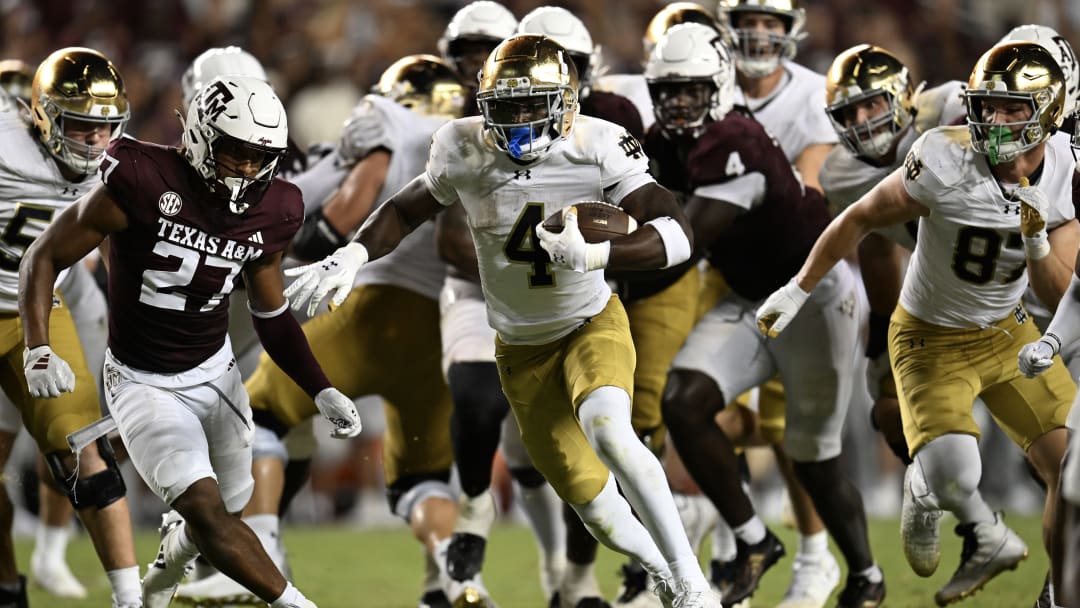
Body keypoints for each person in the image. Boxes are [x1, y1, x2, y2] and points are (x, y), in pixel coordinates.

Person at [287, 33, 719, 608]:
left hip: (590, 322)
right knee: (596, 512)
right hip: (519, 348)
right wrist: (353, 254)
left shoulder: (598, 142)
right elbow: (405, 209)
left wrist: (599, 255)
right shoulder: (461, 145)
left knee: (611, 429)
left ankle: (693, 583)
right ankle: (661, 571)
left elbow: (677, 233)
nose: (517, 123)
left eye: (530, 106)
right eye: (505, 107)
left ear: (564, 102)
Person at [20, 74, 363, 608]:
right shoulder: (141, 178)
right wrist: (38, 346)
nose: (248, 169)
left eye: (259, 156)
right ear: (202, 137)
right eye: (235, 153)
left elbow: (270, 312)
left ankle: (165, 568)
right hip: (142, 380)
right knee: (205, 508)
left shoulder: (277, 206)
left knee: (224, 512)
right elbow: (44, 255)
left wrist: (319, 389)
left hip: (217, 372)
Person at [757, 41, 1077, 606]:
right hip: (931, 338)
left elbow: (1058, 287)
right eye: (987, 106)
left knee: (1071, 476)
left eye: (1011, 108)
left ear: (1048, 111)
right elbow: (861, 220)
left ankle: (1059, 595)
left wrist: (1034, 241)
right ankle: (926, 488)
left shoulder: (1066, 169)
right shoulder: (942, 156)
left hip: (1010, 329)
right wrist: (797, 288)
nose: (994, 120)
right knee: (958, 474)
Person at [641, 24, 881, 608]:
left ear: (717, 88)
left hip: (813, 298)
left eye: (691, 90)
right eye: (668, 90)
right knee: (683, 400)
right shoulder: (665, 142)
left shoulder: (735, 141)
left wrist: (600, 266)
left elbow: (683, 248)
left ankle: (864, 576)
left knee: (811, 460)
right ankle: (753, 540)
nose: (677, 103)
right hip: (751, 300)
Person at [228, 55, 480, 608]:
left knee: (261, 412)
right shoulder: (476, 139)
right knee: (424, 476)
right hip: (439, 325)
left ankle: (265, 549)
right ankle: (460, 577)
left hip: (368, 307)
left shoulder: (384, 119)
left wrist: (301, 246)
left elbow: (340, 221)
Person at [0, 47, 144, 608]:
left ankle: (130, 600)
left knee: (84, 452)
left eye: (105, 126)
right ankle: (10, 587)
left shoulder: (118, 164)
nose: (94, 140)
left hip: (34, 314)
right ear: (43, 115)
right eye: (81, 126)